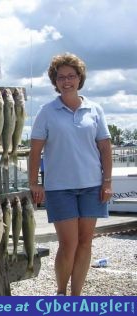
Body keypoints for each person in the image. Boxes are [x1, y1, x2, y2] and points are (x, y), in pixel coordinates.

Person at [28, 53, 112, 296]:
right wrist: (34, 184)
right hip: (59, 188)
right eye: (61, 77)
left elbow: (105, 147)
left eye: (71, 76)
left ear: (80, 78)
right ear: (55, 81)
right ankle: (61, 292)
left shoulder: (95, 109)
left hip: (92, 186)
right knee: (68, 244)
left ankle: (76, 296)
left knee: (86, 243)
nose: (67, 81)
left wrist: (107, 182)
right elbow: (35, 152)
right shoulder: (47, 111)